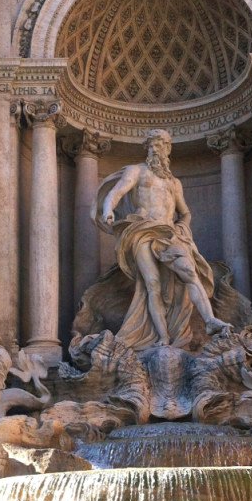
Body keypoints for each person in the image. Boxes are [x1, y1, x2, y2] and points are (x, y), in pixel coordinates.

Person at [93, 129, 231, 350]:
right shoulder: (136, 171)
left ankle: (210, 321)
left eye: (162, 145)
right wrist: (109, 209)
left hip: (168, 234)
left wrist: (182, 227)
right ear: (147, 149)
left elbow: (185, 212)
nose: (158, 149)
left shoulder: (174, 183)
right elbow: (117, 192)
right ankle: (163, 338)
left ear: (168, 150)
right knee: (152, 284)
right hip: (142, 231)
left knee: (189, 272)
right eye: (154, 145)